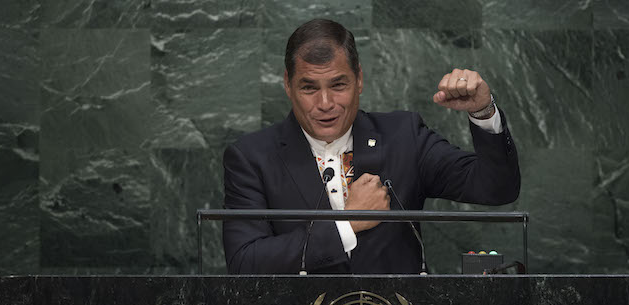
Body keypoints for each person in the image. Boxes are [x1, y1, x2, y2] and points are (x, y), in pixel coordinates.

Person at [222, 19, 520, 274]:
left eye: (339, 85)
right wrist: (347, 225)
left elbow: (496, 188)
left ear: (359, 79)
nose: (325, 104)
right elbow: (244, 261)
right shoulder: (252, 158)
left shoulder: (404, 137)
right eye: (309, 88)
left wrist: (483, 112)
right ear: (288, 84)